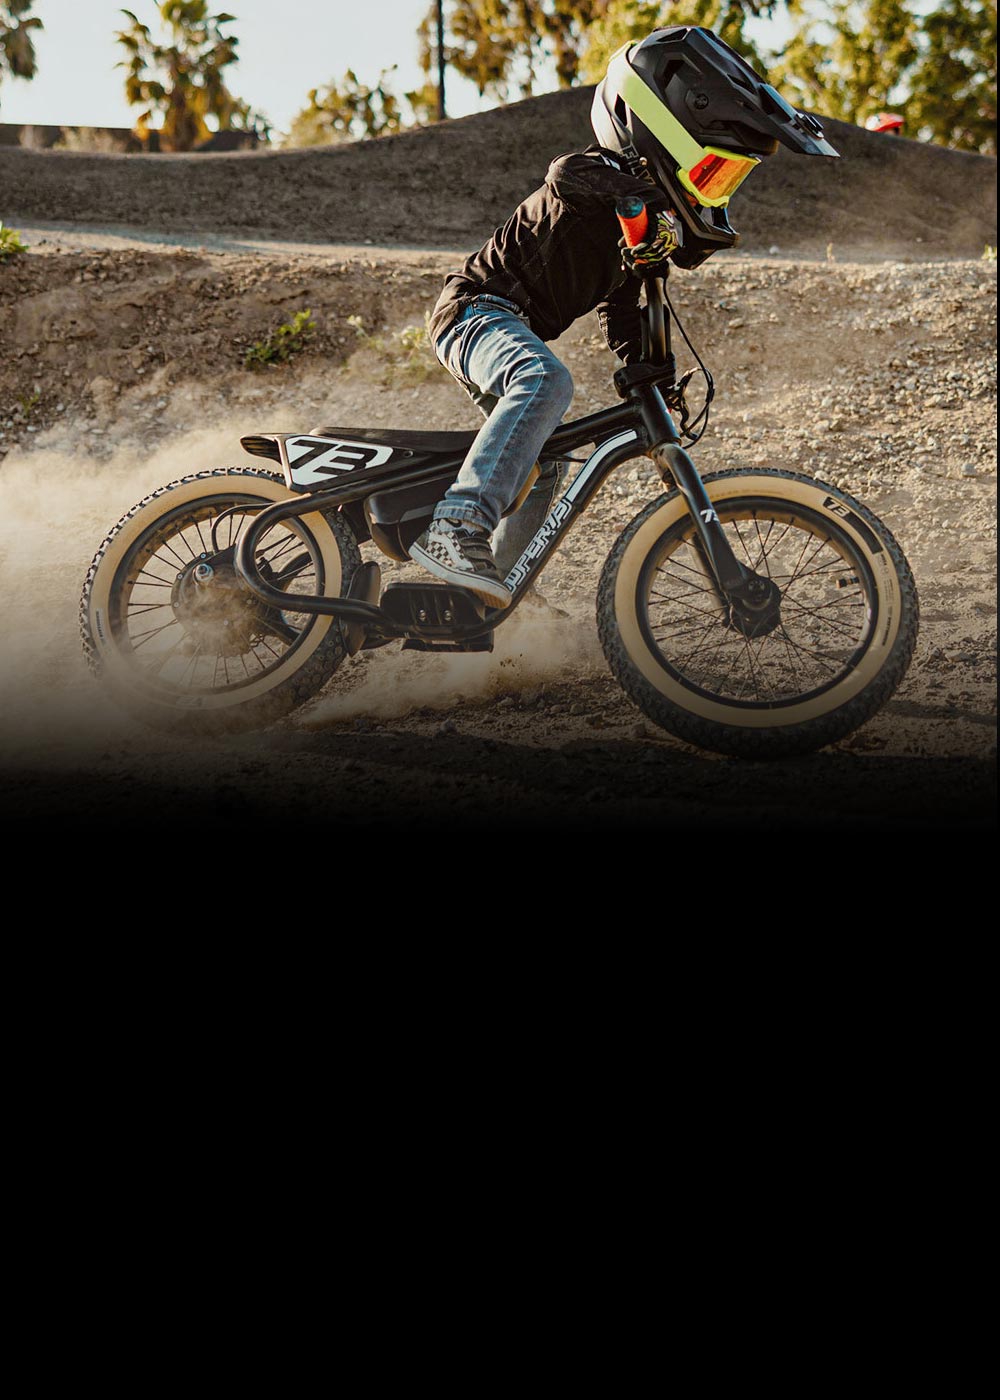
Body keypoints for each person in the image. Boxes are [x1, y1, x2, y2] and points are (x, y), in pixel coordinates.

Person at [409, 25, 839, 607]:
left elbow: (620, 315)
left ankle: (489, 593)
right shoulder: (592, 177)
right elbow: (565, 174)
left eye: (729, 180)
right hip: (474, 313)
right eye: (714, 172)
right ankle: (457, 524)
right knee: (544, 380)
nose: (716, 190)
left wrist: (650, 372)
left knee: (548, 464)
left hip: (509, 324)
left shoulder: (627, 230)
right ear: (663, 137)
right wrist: (645, 202)